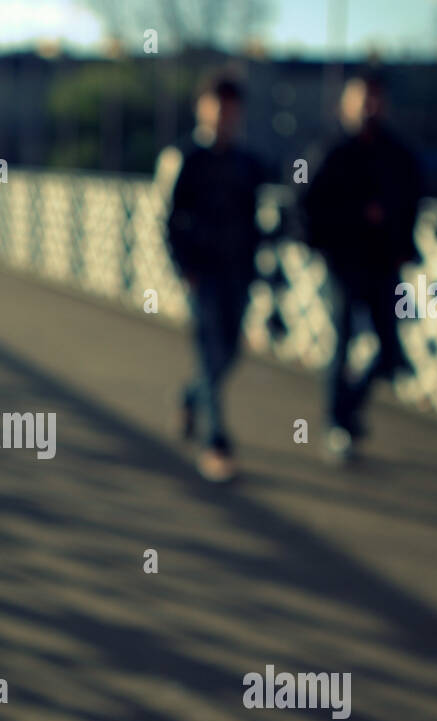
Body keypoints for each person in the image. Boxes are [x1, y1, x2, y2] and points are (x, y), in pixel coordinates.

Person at [302, 70, 422, 461]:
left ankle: (347, 409)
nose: (370, 107)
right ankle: (336, 423)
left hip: (384, 262)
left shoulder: (397, 154)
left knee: (390, 350)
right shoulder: (330, 152)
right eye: (362, 99)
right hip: (344, 261)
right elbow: (305, 203)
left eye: (376, 99)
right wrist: (350, 223)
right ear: (346, 104)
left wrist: (403, 240)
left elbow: (413, 199)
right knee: (343, 341)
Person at [165, 72, 269, 483]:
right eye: (218, 105)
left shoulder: (248, 163)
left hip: (239, 272)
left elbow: (255, 219)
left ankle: (190, 398)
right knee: (210, 351)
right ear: (202, 108)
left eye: (231, 107)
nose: (225, 114)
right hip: (202, 273)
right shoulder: (186, 160)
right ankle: (216, 443)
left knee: (229, 353)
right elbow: (171, 219)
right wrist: (184, 266)